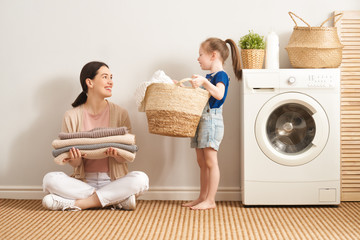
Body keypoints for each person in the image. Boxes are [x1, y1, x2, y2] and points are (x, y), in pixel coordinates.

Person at [42, 61, 149, 211]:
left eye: (111, 77)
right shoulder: (71, 116)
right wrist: (76, 157)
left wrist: (117, 154)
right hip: (83, 183)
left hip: (114, 181)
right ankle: (115, 200)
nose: (110, 81)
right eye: (105, 77)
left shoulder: (121, 113)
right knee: (49, 179)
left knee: (141, 179)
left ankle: (79, 204)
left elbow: (127, 154)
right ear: (89, 82)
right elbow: (74, 164)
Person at [182, 38, 242, 210]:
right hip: (201, 121)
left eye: (201, 54)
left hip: (212, 121)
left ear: (213, 55)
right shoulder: (209, 77)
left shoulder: (220, 75)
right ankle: (202, 197)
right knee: (201, 162)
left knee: (210, 162)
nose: (198, 58)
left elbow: (218, 94)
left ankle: (211, 199)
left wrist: (205, 82)